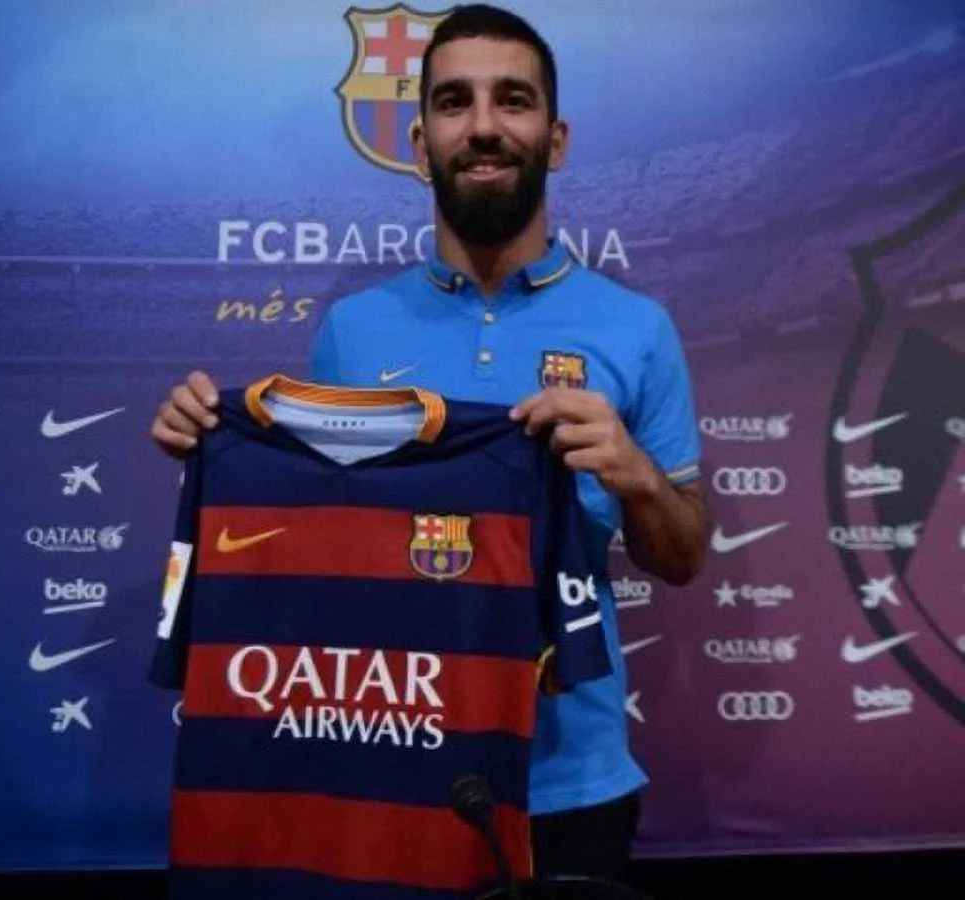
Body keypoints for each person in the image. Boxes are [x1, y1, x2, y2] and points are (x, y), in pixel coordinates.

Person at [151, 3, 708, 885]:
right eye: (455, 102)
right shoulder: (352, 329)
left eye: (512, 100)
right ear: (419, 146)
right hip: (393, 763)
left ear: (556, 139)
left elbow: (682, 556)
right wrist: (218, 451)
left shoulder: (638, 329)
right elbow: (326, 543)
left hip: (572, 784)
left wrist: (636, 474)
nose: (484, 126)